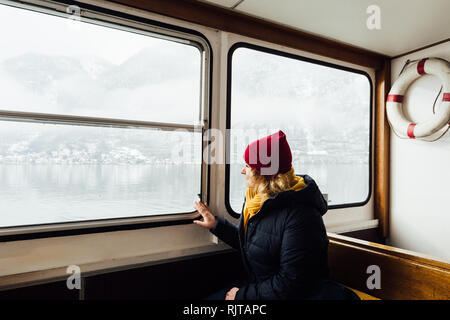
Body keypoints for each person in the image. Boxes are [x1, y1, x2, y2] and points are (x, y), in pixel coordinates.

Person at [193, 130, 359, 300]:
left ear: (263, 174)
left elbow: (292, 283)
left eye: (248, 166)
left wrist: (241, 296)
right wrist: (216, 225)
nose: (243, 171)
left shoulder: (302, 216)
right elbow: (255, 244)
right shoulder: (257, 200)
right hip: (262, 289)